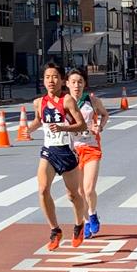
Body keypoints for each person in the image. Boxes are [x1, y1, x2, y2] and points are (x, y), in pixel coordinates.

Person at [27, 63, 88, 251]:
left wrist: (63, 128)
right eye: (47, 77)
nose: (51, 81)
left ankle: (79, 225)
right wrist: (27, 129)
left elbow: (82, 125)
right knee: (43, 190)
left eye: (55, 77)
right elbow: (39, 120)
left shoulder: (67, 100)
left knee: (72, 194)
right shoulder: (39, 102)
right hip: (49, 151)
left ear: (62, 80)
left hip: (66, 151)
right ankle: (55, 230)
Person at [66, 69, 109, 239]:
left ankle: (92, 213)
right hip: (71, 150)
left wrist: (100, 126)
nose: (77, 85)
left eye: (80, 82)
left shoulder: (92, 101)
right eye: (73, 82)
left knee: (88, 188)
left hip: (91, 147)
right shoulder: (62, 103)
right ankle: (85, 221)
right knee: (78, 192)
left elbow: (105, 115)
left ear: (84, 84)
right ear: (67, 83)